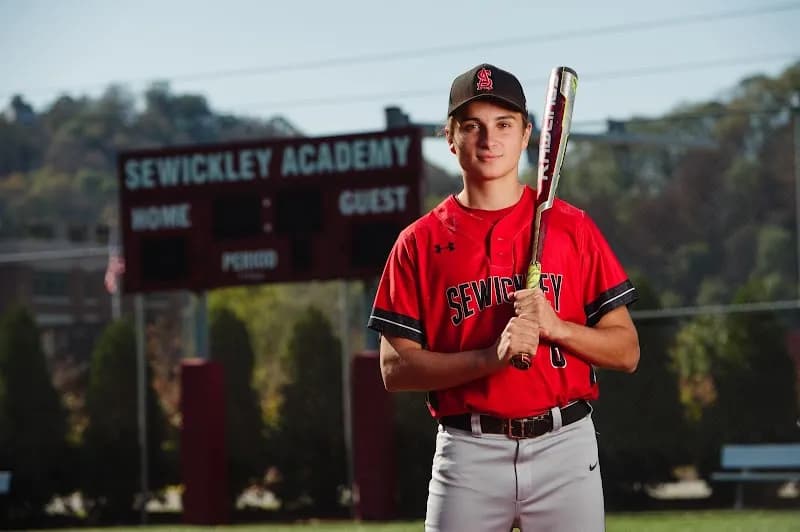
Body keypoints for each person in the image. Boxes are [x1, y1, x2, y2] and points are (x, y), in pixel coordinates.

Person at [367, 63, 640, 532]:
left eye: (504, 125)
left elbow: (627, 351)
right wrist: (490, 357)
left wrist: (556, 327)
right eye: (472, 126)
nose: (489, 140)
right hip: (469, 451)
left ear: (527, 135)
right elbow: (395, 369)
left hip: (565, 446)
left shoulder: (571, 227)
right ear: (450, 139)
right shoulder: (418, 242)